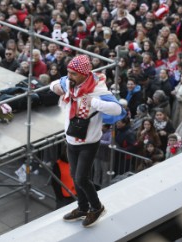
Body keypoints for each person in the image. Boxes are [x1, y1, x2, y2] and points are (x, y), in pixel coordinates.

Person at [49, 55, 126, 227]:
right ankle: (83, 208)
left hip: (89, 142)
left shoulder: (97, 89)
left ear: (83, 74)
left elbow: (117, 110)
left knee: (82, 178)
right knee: (75, 177)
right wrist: (57, 88)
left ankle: (97, 207)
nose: (69, 76)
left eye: (73, 74)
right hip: (71, 139)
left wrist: (94, 102)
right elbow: (53, 85)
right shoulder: (70, 84)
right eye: (68, 73)